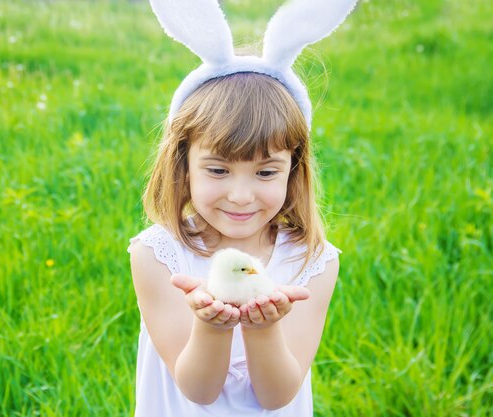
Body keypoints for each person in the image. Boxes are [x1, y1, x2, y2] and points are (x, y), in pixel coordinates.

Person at [128, 0, 357, 415]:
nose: (240, 195)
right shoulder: (158, 255)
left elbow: (277, 395)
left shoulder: (311, 262)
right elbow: (198, 390)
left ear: (294, 169)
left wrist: (263, 326)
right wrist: (211, 326)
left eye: (266, 173)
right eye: (218, 170)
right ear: (183, 164)